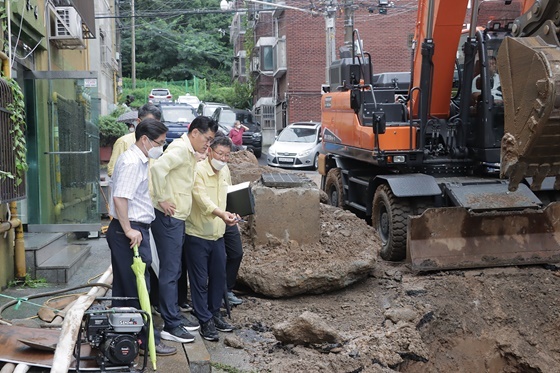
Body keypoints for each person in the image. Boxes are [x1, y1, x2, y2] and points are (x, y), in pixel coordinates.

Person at [105, 118, 176, 356]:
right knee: (137, 290)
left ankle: (127, 340)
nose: (161, 147)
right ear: (144, 139)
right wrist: (128, 229)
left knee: (129, 289)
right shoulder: (132, 162)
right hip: (130, 232)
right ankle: (144, 342)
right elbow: (120, 198)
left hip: (135, 229)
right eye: (159, 142)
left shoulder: (141, 160)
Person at [150, 116, 219, 344]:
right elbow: (158, 168)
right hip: (169, 218)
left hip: (177, 218)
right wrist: (162, 198)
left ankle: (174, 316)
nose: (208, 145)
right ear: (195, 133)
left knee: (175, 270)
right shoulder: (180, 149)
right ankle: (171, 324)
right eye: (207, 139)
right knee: (170, 272)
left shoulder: (188, 151)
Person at [185, 135, 238, 341]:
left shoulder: (225, 171)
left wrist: (234, 212)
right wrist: (221, 213)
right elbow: (201, 198)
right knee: (199, 281)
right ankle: (204, 319)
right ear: (209, 151)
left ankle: (214, 313)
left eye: (227, 155)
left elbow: (230, 196)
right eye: (220, 154)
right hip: (197, 234)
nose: (223, 159)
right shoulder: (198, 171)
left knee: (218, 277)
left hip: (218, 234)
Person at [107, 103, 162, 178]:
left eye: (157, 124)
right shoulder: (124, 142)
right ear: (139, 121)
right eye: (151, 123)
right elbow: (113, 171)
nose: (154, 127)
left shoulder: (157, 142)